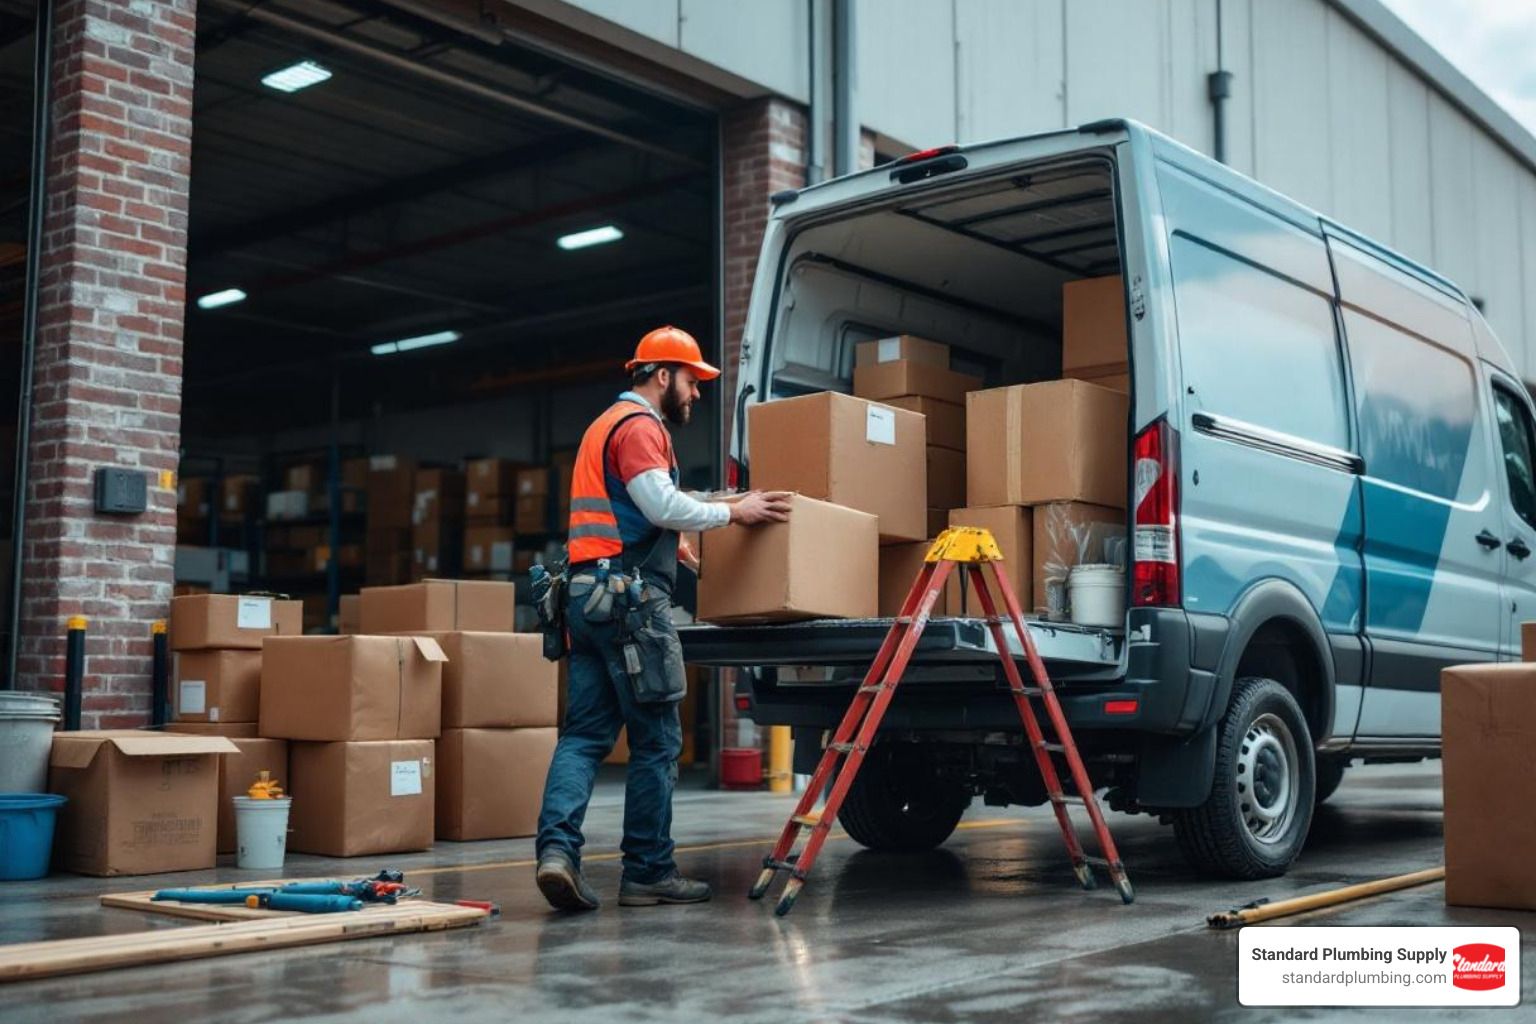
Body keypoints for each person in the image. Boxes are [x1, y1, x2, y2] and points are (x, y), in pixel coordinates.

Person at [535, 325, 792, 911]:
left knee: (583, 736)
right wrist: (736, 510)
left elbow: (628, 511)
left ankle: (556, 854)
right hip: (628, 605)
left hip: (585, 597)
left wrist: (669, 539)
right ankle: (649, 871)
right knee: (655, 742)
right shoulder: (640, 428)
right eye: (692, 381)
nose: (697, 394)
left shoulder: (604, 425)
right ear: (661, 375)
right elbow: (658, 502)